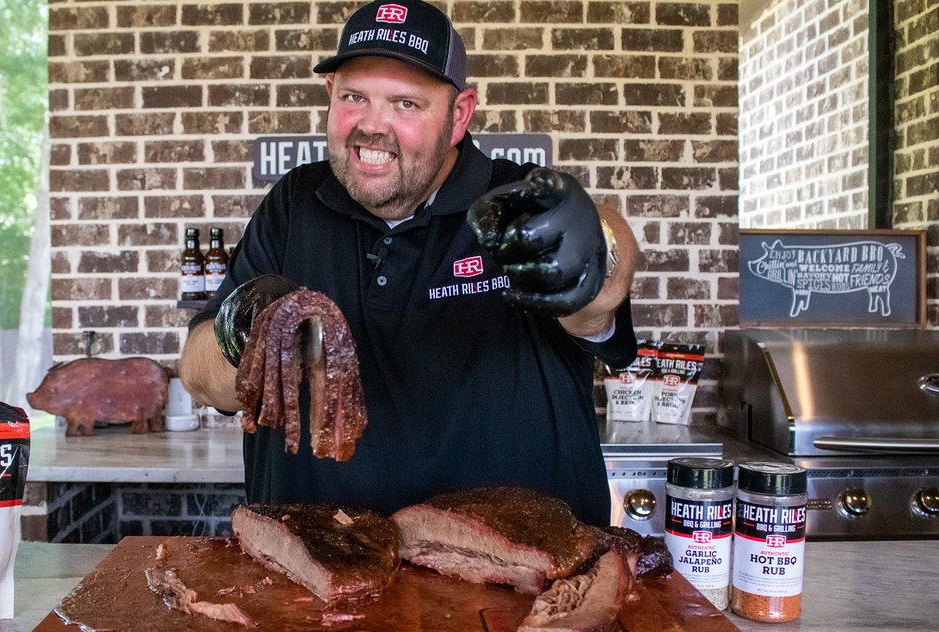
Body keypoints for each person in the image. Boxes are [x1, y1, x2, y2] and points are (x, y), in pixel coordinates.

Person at [180, 0, 640, 525]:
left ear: (459, 114)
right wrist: (249, 329)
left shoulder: (517, 206)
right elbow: (201, 376)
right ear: (331, 96)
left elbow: (601, 291)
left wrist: (599, 249)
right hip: (312, 577)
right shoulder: (294, 204)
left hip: (521, 583)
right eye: (355, 97)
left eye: (406, 104)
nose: (372, 127)